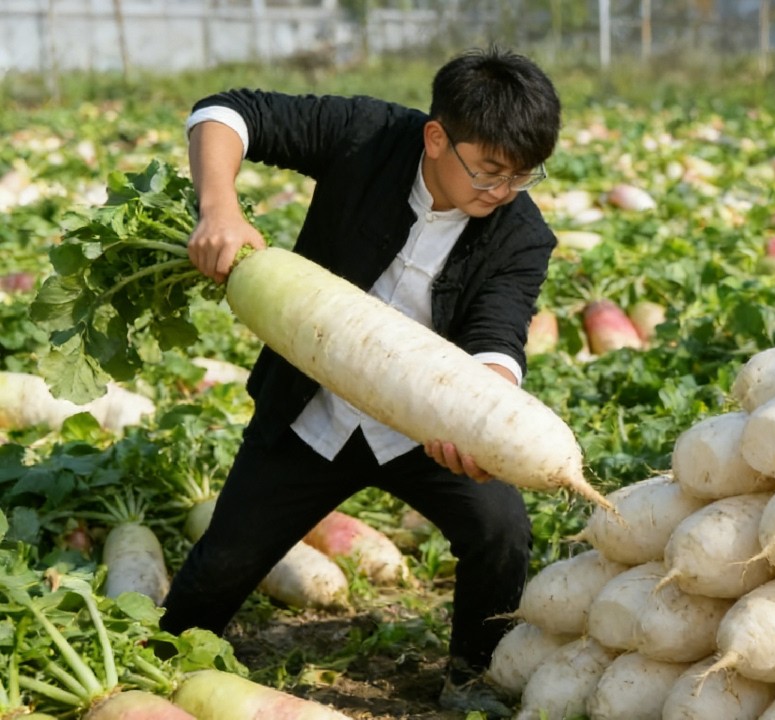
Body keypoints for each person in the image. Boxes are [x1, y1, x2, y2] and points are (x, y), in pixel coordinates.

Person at [159, 46, 562, 718]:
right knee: (223, 564)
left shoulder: (522, 234)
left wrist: (487, 419)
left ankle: (472, 675)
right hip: (310, 411)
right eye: (489, 172)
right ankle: (156, 663)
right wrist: (219, 207)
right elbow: (228, 113)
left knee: (501, 532)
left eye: (521, 177)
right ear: (437, 138)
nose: (502, 192)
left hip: (426, 429)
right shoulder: (368, 135)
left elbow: (498, 335)